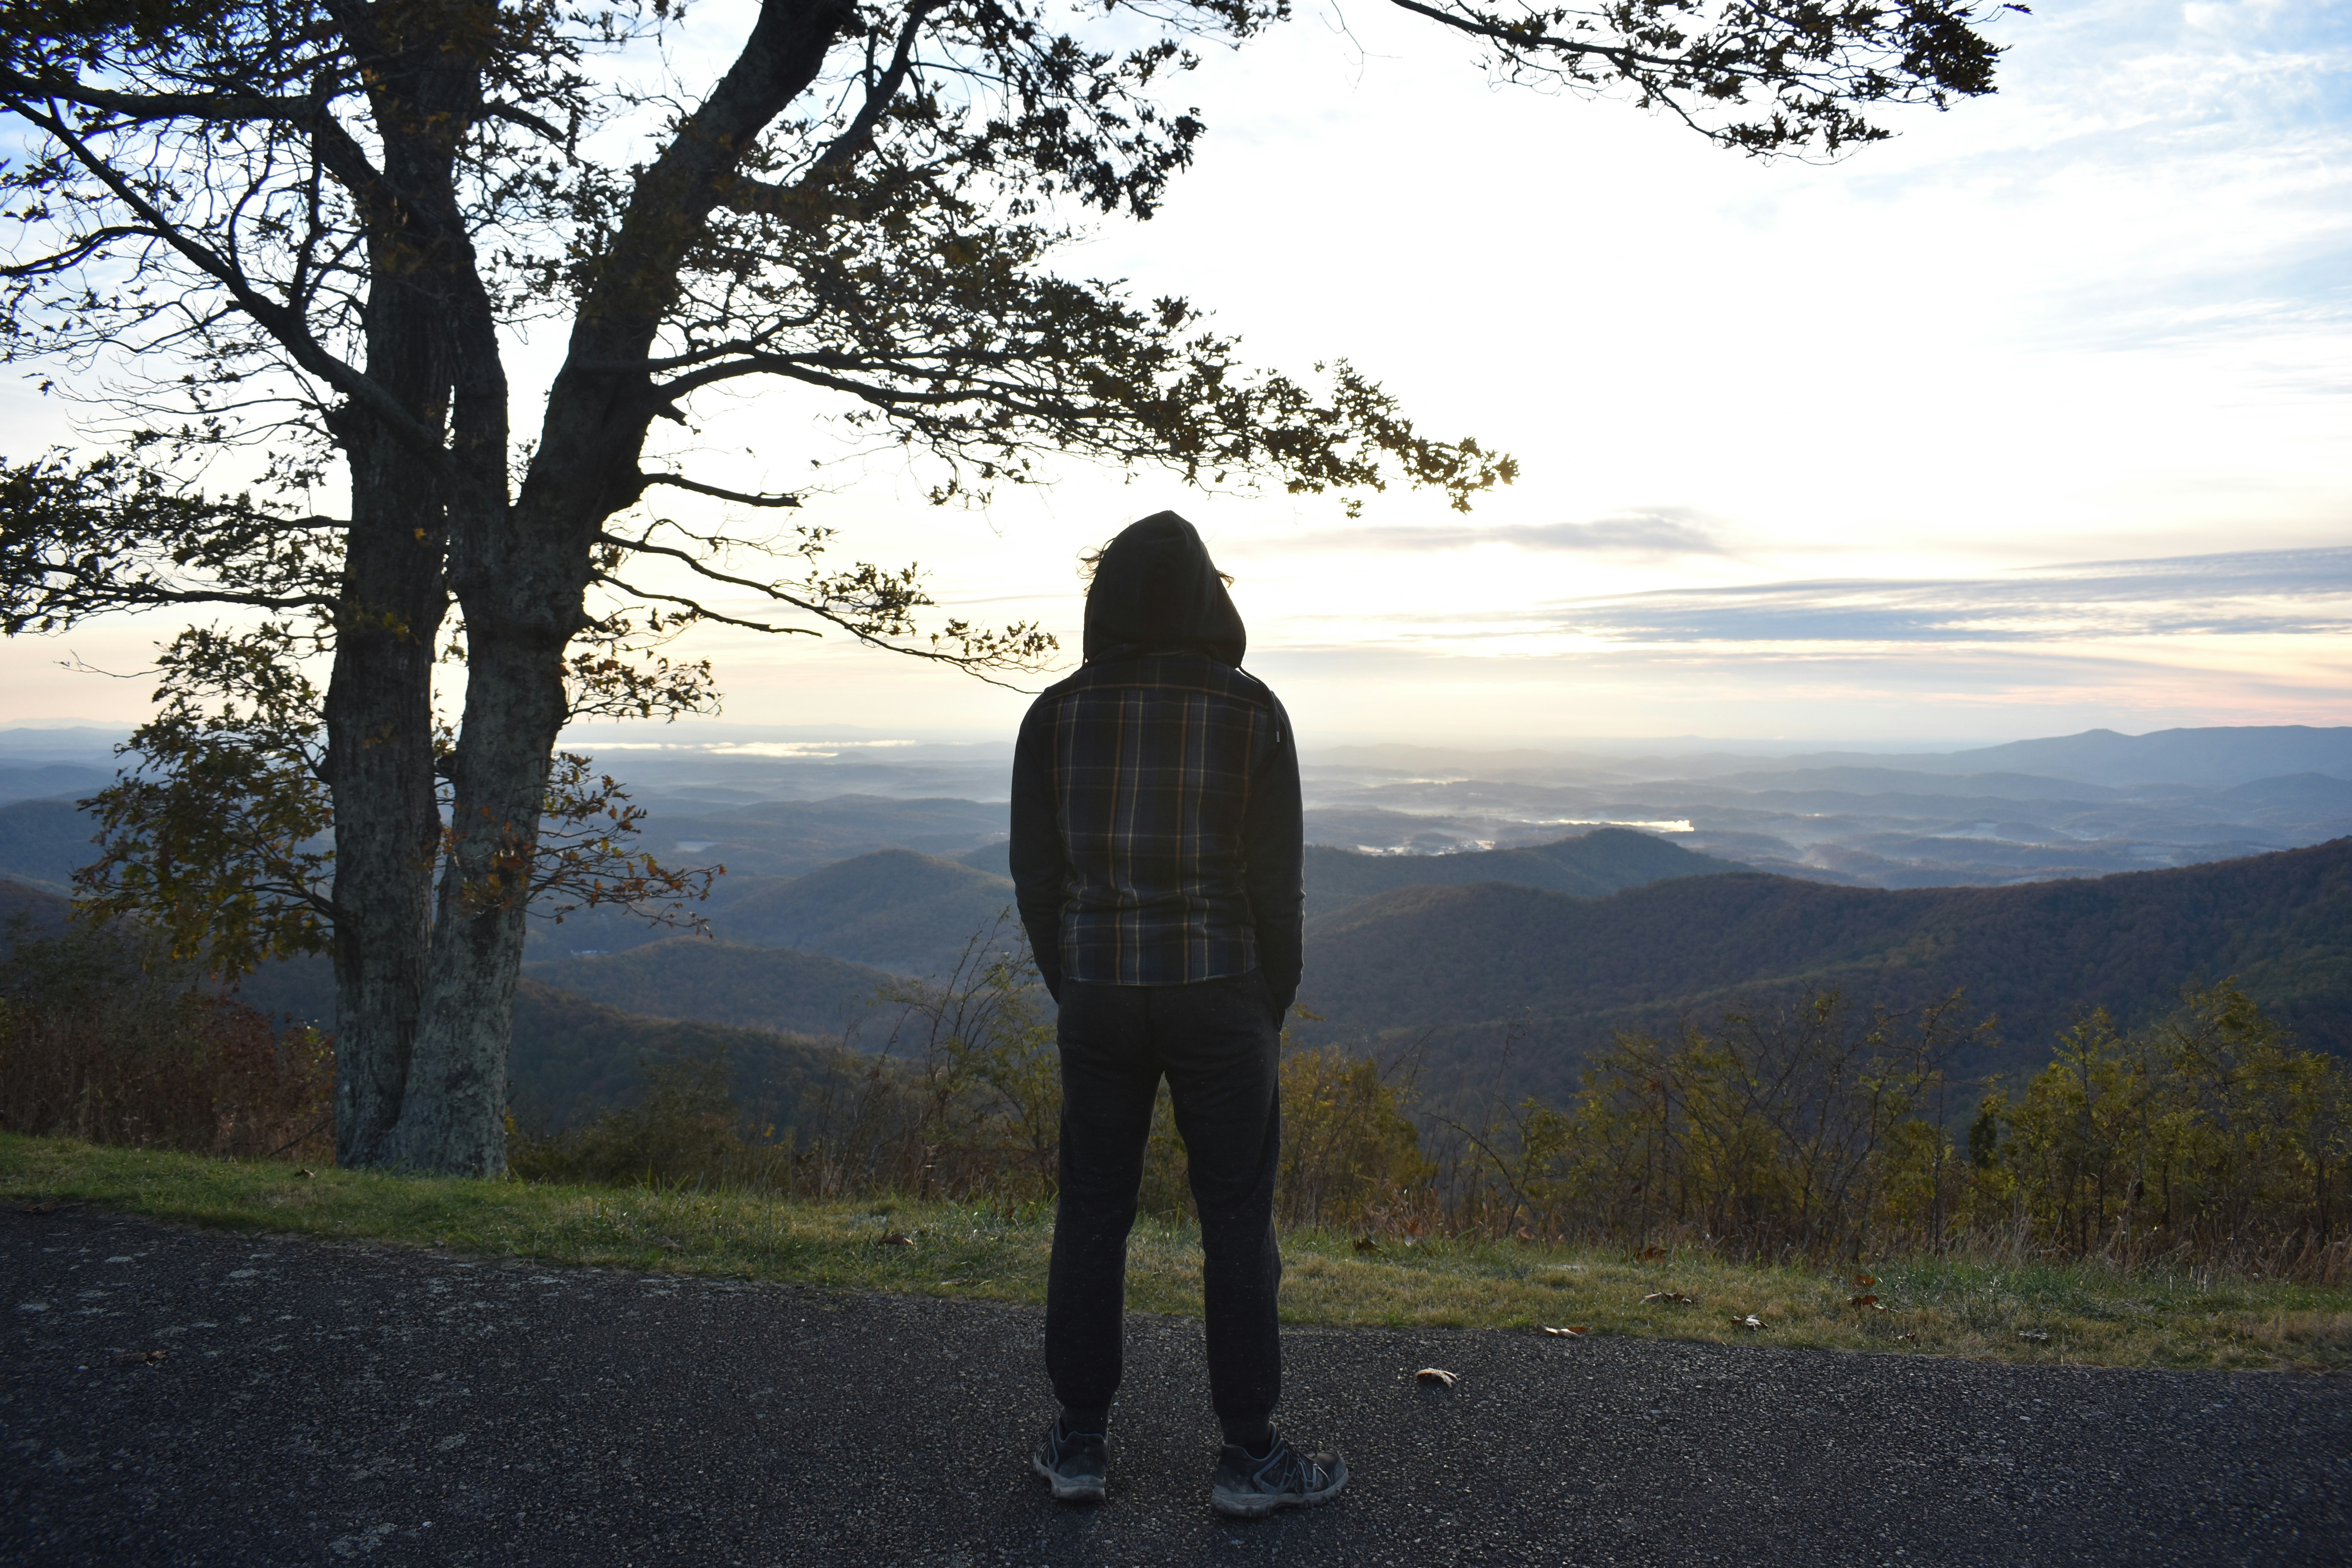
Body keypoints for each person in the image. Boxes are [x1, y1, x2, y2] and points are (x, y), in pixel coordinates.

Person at [1008, 511, 1347, 1518]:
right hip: (1220, 993)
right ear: (1212, 598)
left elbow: (1038, 875)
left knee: (1094, 1208)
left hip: (1102, 994)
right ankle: (1249, 1454)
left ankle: (1078, 1442)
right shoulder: (1253, 713)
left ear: (1103, 597)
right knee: (1237, 1221)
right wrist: (1262, 1000)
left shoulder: (1055, 715)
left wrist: (1075, 983)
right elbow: (1274, 882)